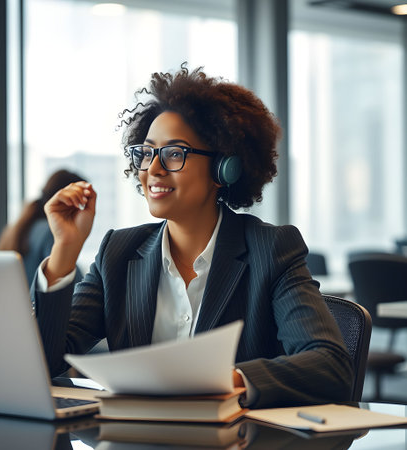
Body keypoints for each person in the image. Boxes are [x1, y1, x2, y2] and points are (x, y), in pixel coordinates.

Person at [32, 65, 353, 408]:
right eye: (146, 152)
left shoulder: (270, 250)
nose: (153, 169)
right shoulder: (118, 253)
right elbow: (41, 364)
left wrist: (228, 381)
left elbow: (330, 366)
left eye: (174, 153)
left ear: (223, 168)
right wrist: (65, 250)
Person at [0, 169, 86, 286]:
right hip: (37, 302)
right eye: (82, 203)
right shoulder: (53, 233)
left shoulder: (21, 227)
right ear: (70, 203)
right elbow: (74, 283)